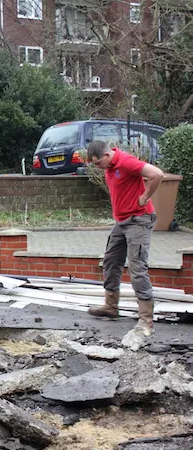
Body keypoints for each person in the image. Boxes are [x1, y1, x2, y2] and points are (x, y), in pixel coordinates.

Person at [85, 140, 165, 350]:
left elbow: (156, 174)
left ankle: (146, 320)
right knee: (111, 261)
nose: (98, 167)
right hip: (121, 222)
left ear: (107, 154)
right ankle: (111, 306)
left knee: (137, 268)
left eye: (98, 163)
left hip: (139, 220)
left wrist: (145, 196)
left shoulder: (126, 162)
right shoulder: (110, 166)